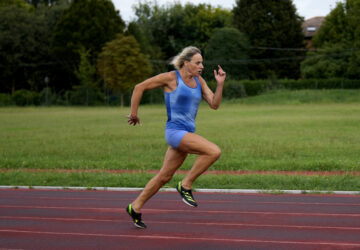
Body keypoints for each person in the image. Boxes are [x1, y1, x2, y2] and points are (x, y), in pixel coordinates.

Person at [126, 46, 226, 228]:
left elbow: (214, 104)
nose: (201, 66)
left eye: (202, 62)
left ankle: (136, 206)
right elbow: (139, 87)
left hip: (187, 134)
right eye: (197, 63)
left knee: (164, 176)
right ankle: (185, 185)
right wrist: (134, 114)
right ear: (186, 63)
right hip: (175, 132)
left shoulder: (199, 81)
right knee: (213, 151)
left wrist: (219, 84)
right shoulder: (171, 78)